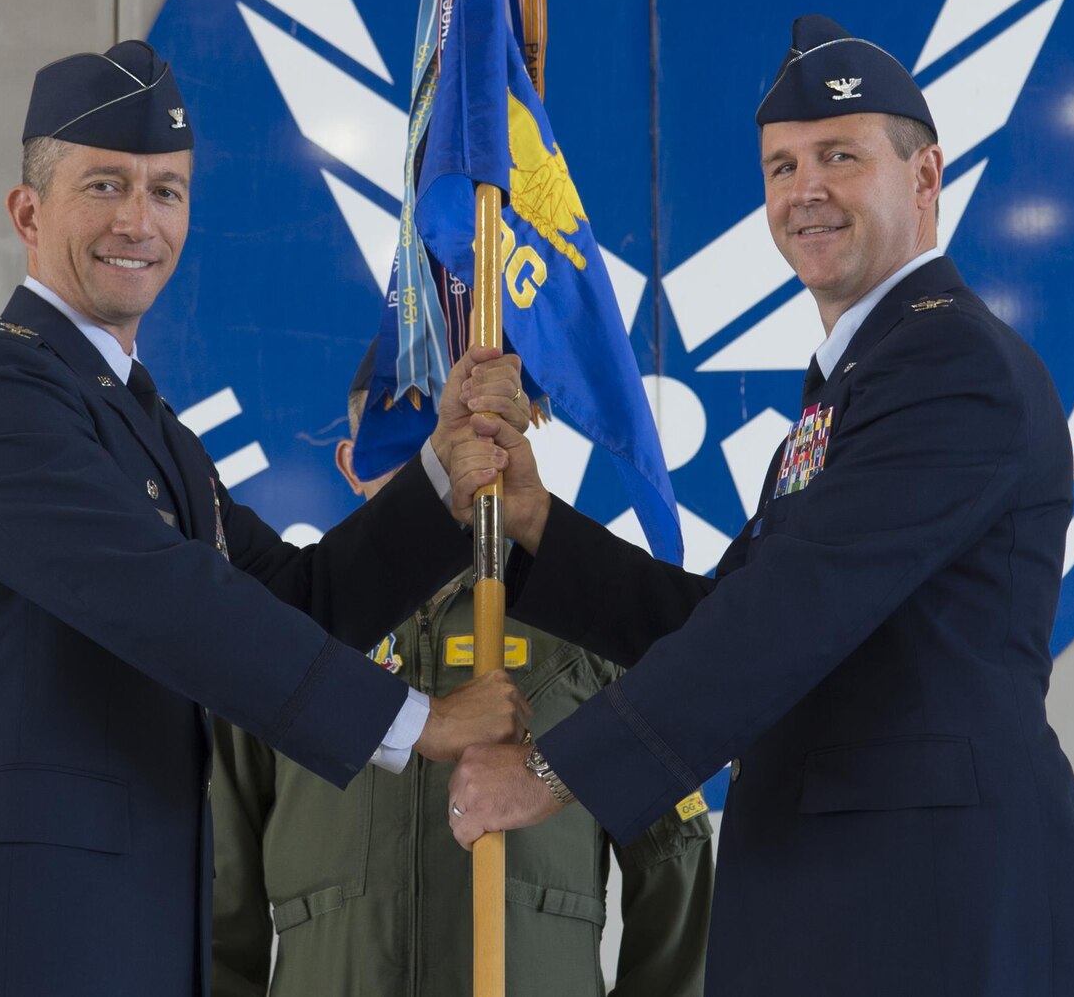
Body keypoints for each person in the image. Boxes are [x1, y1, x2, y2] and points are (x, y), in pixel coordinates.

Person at [446, 17, 1074, 995]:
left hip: (952, 931)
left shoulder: (950, 366)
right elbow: (719, 618)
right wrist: (534, 524)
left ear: (924, 178)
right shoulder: (856, 385)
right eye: (780, 167)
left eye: (838, 156)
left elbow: (788, 615)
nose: (802, 190)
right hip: (857, 926)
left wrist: (553, 769)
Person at [0, 39, 531, 997]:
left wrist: (442, 472)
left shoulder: (149, 426)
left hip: (137, 937)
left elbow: (297, 598)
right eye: (104, 186)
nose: (138, 221)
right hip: (26, 941)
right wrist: (415, 722)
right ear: (28, 212)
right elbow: (172, 604)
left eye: (166, 191)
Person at [208, 347, 715, 997]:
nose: (433, 468)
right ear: (348, 465)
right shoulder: (283, 635)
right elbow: (220, 895)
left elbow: (676, 868)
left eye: (446, 441)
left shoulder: (585, 629)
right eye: (395, 446)